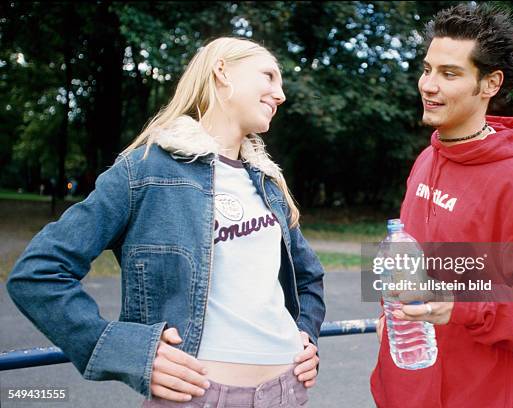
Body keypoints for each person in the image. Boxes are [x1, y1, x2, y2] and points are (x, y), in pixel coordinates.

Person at [7, 37, 325, 407]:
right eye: (269, 76)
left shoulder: (267, 183)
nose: (280, 94)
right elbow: (38, 274)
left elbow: (309, 277)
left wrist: (306, 335)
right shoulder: (146, 170)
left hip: (287, 392)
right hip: (196, 397)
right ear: (221, 71)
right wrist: (127, 350)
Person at [370, 4, 513, 407]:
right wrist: (391, 315)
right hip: (401, 390)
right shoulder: (426, 160)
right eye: (427, 69)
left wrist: (462, 307)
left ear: (490, 83)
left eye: (449, 74)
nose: (428, 85)